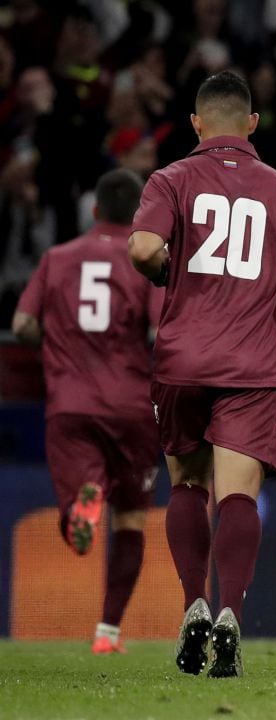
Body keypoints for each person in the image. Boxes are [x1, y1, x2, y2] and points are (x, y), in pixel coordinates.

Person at [127, 70, 276, 678]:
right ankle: (230, 616)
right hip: (251, 364)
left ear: (196, 123)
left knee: (187, 485)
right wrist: (270, 279)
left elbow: (142, 249)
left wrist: (167, 269)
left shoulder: (172, 178)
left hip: (183, 359)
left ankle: (193, 601)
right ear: (252, 124)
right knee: (239, 494)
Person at [12, 169, 161, 656]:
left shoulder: (56, 258)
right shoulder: (145, 260)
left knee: (78, 511)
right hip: (131, 406)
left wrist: (57, 343)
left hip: (70, 403)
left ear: (94, 210)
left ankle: (82, 504)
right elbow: (162, 333)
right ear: (139, 213)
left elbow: (23, 324)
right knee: (133, 520)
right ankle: (108, 633)